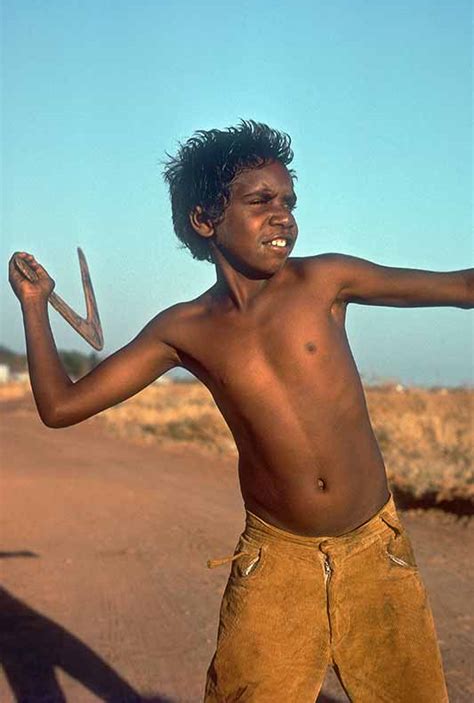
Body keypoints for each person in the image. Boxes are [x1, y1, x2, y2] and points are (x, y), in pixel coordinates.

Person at [9, 120, 472, 702]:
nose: (283, 216)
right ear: (206, 220)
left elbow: (461, 285)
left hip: (375, 549)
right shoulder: (185, 329)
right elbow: (61, 406)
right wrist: (33, 306)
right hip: (276, 562)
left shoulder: (326, 281)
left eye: (288, 201)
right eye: (260, 201)